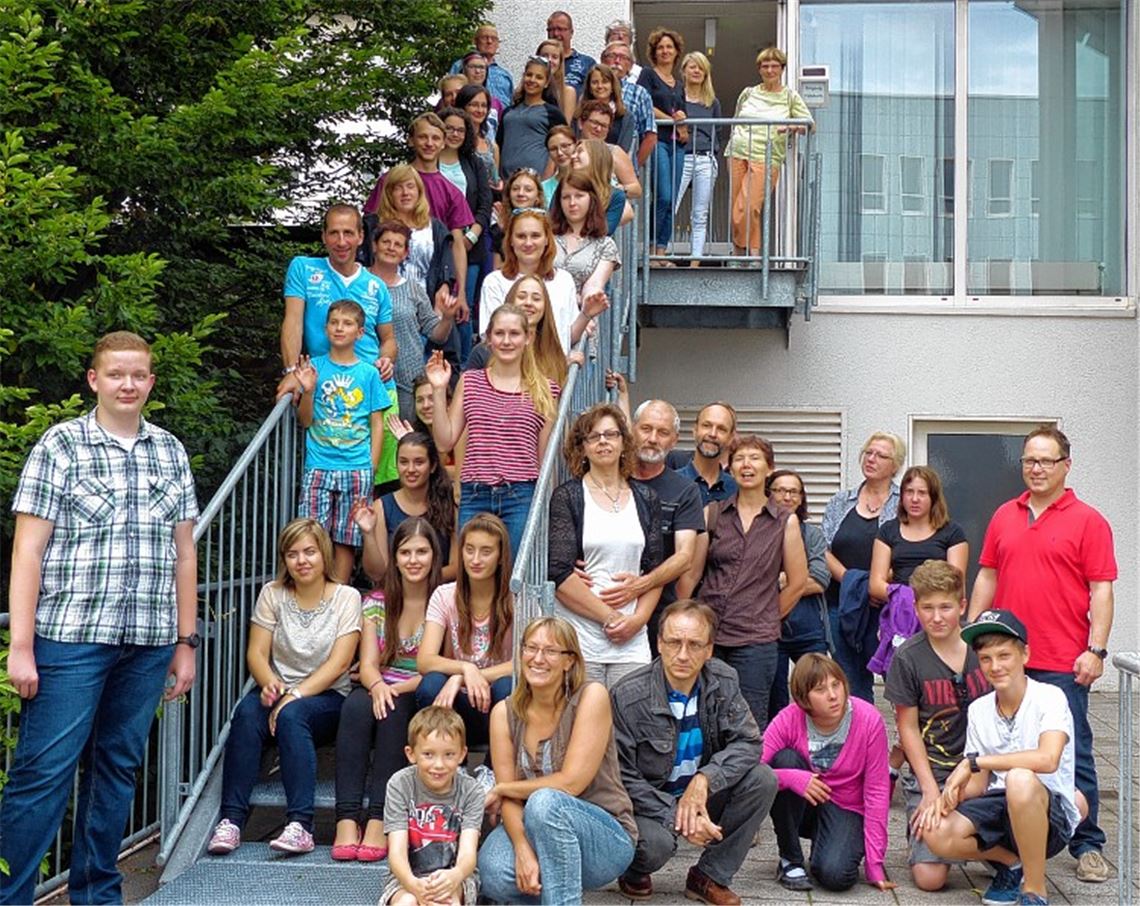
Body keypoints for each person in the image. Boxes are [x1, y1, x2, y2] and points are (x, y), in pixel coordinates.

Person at [2, 331, 198, 905]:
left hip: (148, 643)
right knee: (42, 777)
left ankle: (98, 896)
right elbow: (28, 552)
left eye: (139, 375)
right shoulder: (60, 446)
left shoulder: (170, 451)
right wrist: (20, 644)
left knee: (115, 773)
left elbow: (185, 552)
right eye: (116, 374)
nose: (128, 384)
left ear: (151, 383)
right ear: (94, 380)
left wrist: (186, 642)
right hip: (69, 641)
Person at [967, 424, 1116, 883]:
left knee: (1075, 755)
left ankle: (1087, 844)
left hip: (1062, 659)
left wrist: (1097, 649)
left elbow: (1102, 589)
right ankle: (1013, 834)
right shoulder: (1004, 516)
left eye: (1045, 461)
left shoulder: (1089, 520)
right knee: (1005, 746)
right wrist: (971, 633)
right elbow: (988, 575)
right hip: (1006, 658)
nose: (1035, 468)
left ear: (1065, 466)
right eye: (1029, 460)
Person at [207, 519, 361, 857]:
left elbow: (338, 664)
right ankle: (231, 821)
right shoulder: (273, 593)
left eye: (309, 552)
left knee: (292, 715)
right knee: (247, 712)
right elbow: (257, 653)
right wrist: (269, 684)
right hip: (281, 693)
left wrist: (293, 696)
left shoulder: (346, 597)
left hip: (329, 697)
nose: (302, 560)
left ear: (324, 555)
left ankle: (301, 825)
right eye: (292, 554)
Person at [611, 599, 777, 905]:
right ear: (659, 643)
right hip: (648, 804)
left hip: (699, 794)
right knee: (655, 846)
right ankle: (634, 870)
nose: (683, 654)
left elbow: (749, 742)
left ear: (710, 648)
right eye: (674, 642)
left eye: (695, 644)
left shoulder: (723, 680)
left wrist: (704, 780)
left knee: (762, 779)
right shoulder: (628, 695)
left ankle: (709, 876)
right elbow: (619, 776)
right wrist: (677, 815)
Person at [920, 610, 1086, 906]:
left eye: (1004, 655)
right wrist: (947, 797)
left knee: (1020, 778)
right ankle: (1012, 865)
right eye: (985, 659)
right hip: (1002, 803)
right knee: (934, 829)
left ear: (1025, 655)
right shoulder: (979, 709)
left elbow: (1048, 759)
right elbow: (979, 786)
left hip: (1049, 810)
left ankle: (1034, 891)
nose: (995, 666)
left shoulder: (1050, 697)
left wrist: (973, 762)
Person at [478, 617, 638, 903]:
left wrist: (502, 789)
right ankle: (558, 891)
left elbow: (570, 783)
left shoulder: (591, 696)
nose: (538, 658)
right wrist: (523, 851)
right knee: (493, 870)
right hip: (536, 828)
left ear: (569, 661)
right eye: (531, 648)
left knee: (545, 801)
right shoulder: (504, 713)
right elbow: (511, 801)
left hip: (604, 834)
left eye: (551, 651)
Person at [332, 517, 442, 862]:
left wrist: (395, 690)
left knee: (394, 713)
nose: (414, 560)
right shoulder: (377, 601)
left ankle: (380, 819)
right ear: (394, 558)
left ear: (433, 556)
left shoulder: (443, 600)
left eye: (422, 552)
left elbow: (440, 665)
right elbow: (366, 664)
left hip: (417, 688)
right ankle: (347, 819)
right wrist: (378, 685)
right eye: (406, 552)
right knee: (355, 707)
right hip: (379, 681)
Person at [682, 434, 808, 730]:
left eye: (755, 458)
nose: (746, 465)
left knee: (748, 721)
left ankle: (745, 777)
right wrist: (683, 617)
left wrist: (768, 617)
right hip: (709, 636)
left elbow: (798, 582)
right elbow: (691, 574)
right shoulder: (712, 513)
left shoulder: (785, 521)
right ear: (729, 466)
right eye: (739, 458)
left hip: (755, 642)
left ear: (769, 468)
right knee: (702, 715)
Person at [884, 559, 990, 892]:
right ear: (915, 608)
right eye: (927, 608)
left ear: (962, 605)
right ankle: (942, 836)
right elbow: (908, 728)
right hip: (934, 769)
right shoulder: (908, 658)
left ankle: (989, 846)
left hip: (982, 770)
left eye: (945, 607)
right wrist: (930, 789)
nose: (937, 616)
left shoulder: (983, 647)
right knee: (930, 880)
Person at [548, 405, 664, 687]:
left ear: (624, 442)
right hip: (582, 637)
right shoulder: (568, 496)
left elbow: (654, 571)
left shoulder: (646, 497)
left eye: (611, 434)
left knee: (629, 723)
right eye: (593, 436)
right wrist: (611, 617)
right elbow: (559, 573)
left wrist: (637, 621)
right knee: (583, 722)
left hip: (632, 639)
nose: (603, 441)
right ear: (583, 448)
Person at [427, 302, 557, 553]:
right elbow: (445, 441)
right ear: (489, 338)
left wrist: (545, 507)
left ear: (528, 337)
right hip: (476, 493)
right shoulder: (470, 381)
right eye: (499, 333)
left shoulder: (546, 389)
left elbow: (545, 460)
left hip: (521, 494)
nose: (506, 341)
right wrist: (438, 389)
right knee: (473, 572)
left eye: (514, 334)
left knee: (513, 575)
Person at [763, 654, 895, 893]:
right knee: (785, 761)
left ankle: (825, 848)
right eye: (820, 689)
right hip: (802, 805)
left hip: (845, 806)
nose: (833, 696)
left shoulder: (868, 720)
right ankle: (790, 860)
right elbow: (755, 769)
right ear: (804, 698)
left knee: (837, 877)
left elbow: (877, 789)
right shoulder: (789, 719)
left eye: (836, 685)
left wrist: (875, 863)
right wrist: (792, 778)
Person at [293, 301, 389, 581]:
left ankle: (338, 593)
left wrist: (370, 466)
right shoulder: (315, 367)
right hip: (319, 462)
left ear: (360, 332)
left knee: (348, 537)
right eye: (334, 322)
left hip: (356, 464)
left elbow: (377, 423)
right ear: (325, 328)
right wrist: (308, 391)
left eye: (347, 324)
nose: (339, 328)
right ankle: (313, 590)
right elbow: (305, 421)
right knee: (312, 532)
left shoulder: (369, 374)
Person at [278, 203, 397, 423]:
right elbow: (293, 322)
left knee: (379, 458)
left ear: (361, 236)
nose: (341, 242)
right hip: (329, 392)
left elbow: (388, 338)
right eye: (334, 233)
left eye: (348, 233)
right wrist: (292, 370)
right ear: (323, 236)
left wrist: (387, 359)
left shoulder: (376, 285)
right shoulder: (304, 269)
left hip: (376, 391)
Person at [415, 514, 515, 750]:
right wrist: (465, 668)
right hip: (453, 705)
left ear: (500, 557)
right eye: (469, 550)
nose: (476, 559)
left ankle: (492, 773)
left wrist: (463, 677)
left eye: (486, 551)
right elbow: (425, 660)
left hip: (494, 705)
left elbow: (521, 664)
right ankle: (444, 764)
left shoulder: (516, 600)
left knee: (507, 686)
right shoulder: (444, 595)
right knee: (430, 684)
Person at [822, 430, 905, 702]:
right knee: (850, 682)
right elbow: (822, 549)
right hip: (841, 605)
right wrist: (853, 584)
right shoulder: (840, 501)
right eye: (868, 453)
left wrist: (876, 585)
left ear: (895, 465)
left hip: (887, 609)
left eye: (881, 455)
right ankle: (859, 741)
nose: (872, 459)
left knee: (899, 682)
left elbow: (907, 550)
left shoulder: (904, 503)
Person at [364, 114, 473, 307]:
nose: (429, 143)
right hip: (383, 290)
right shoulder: (390, 181)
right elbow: (369, 230)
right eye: (423, 137)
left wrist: (461, 292)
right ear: (411, 140)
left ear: (443, 143)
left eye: (436, 138)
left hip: (430, 289)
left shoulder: (452, 192)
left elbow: (456, 244)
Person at [381, 706, 483, 906]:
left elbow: (468, 853)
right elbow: (397, 852)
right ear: (411, 754)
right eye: (428, 754)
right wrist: (413, 884)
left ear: (462, 755)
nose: (439, 764)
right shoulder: (400, 784)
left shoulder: (471, 790)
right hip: (407, 875)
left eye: (449, 754)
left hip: (456, 876)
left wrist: (455, 875)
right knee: (407, 902)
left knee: (446, 902)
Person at [626, 398, 705, 653]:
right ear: (632, 430)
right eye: (646, 429)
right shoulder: (609, 480)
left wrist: (641, 585)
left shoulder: (685, 491)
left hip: (659, 614)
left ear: (674, 440)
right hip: (603, 604)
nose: (652, 438)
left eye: (662, 432)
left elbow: (684, 558)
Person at [726, 47, 812, 259]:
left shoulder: (790, 96)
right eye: (765, 66)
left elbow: (809, 124)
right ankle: (748, 255)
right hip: (737, 152)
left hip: (766, 156)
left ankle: (744, 254)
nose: (770, 70)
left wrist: (790, 127)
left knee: (746, 207)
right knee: (739, 208)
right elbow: (737, 119)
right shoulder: (749, 93)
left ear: (782, 69)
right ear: (759, 69)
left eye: (775, 66)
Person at [368, 220, 458, 420]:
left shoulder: (413, 289)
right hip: (369, 375)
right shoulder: (359, 282)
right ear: (374, 245)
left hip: (408, 380)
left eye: (398, 244)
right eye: (386, 242)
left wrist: (447, 318)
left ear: (405, 253)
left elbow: (436, 334)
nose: (391, 248)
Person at [479, 209, 601, 355]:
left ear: (547, 240)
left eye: (535, 236)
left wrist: (586, 315)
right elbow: (490, 338)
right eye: (521, 236)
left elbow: (568, 337)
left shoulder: (564, 279)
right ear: (510, 241)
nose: (528, 243)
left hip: (557, 373)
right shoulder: (494, 282)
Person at [765, 469, 834, 720]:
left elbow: (820, 579)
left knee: (817, 690)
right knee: (776, 697)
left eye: (794, 491)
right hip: (770, 629)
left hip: (809, 628)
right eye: (780, 490)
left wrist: (780, 580)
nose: (787, 497)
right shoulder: (759, 532)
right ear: (768, 494)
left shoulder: (812, 535)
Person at [353, 431, 457, 582]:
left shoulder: (449, 504)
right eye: (403, 462)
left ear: (433, 466)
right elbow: (377, 573)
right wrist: (368, 534)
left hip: (438, 592)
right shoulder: (381, 507)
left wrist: (421, 580)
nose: (410, 470)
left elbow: (457, 566)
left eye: (419, 462)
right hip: (396, 593)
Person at [438, 106, 493, 361]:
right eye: (449, 128)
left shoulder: (474, 163)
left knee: (463, 307)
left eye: (460, 130)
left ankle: (461, 365)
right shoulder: (429, 162)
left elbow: (484, 204)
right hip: (438, 246)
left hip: (470, 247)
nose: (455, 134)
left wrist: (472, 236)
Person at [869, 465, 968, 603]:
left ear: (933, 497)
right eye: (909, 492)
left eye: (922, 493)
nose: (915, 499)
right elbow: (875, 584)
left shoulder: (953, 532)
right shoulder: (887, 531)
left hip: (937, 610)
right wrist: (904, 596)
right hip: (899, 608)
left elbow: (956, 584)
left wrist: (925, 602)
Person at [466, 274, 570, 387]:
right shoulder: (483, 353)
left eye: (536, 299)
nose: (528, 303)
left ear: (545, 307)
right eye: (521, 297)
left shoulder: (554, 355)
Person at [639, 27, 687, 259]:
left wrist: (683, 125)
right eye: (660, 48)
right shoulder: (648, 75)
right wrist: (670, 120)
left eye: (669, 47)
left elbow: (683, 115)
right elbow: (644, 104)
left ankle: (662, 250)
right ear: (654, 52)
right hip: (657, 140)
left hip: (677, 145)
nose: (665, 51)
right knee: (663, 196)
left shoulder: (679, 84)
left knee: (672, 200)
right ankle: (651, 250)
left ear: (676, 52)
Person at [676, 52, 722, 266]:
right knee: (670, 205)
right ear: (683, 70)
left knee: (700, 213)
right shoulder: (676, 97)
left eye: (701, 68)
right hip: (682, 155)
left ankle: (696, 260)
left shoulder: (711, 102)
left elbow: (717, 129)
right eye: (692, 67)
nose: (696, 71)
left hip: (705, 158)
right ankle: (660, 254)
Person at [551, 170, 621, 297]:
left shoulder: (605, 245)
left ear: (591, 199)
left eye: (579, 196)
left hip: (581, 313)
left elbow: (594, 287)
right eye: (566, 197)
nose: (572, 203)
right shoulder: (545, 239)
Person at [498, 56, 567, 178]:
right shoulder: (508, 112)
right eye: (529, 75)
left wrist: (547, 178)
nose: (532, 80)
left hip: (537, 182)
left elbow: (561, 146)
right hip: (506, 183)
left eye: (539, 77)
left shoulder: (552, 113)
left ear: (546, 83)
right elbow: (498, 145)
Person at [600, 41, 657, 168]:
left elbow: (650, 135)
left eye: (623, 58)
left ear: (630, 66)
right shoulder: (592, 88)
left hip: (622, 167)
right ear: (603, 60)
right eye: (612, 56)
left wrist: (632, 166)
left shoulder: (640, 93)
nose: (617, 61)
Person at [673, 401, 738, 505]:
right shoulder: (671, 483)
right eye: (706, 425)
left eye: (721, 429)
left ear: (731, 438)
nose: (713, 434)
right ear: (695, 430)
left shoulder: (736, 490)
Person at [574, 108, 642, 205]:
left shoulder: (614, 152)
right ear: (581, 123)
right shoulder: (569, 150)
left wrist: (616, 190)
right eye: (594, 123)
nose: (598, 129)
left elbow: (636, 189)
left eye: (604, 126)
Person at [491, 168, 547, 268]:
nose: (520, 193)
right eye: (515, 189)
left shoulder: (545, 224)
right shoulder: (500, 221)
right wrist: (504, 232)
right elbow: (497, 267)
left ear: (538, 196)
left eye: (528, 190)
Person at [450, 24, 513, 108]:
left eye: (494, 39)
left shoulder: (504, 75)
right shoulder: (460, 65)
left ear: (498, 44)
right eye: (484, 38)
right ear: (475, 41)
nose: (489, 41)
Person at [578, 64, 634, 156]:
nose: (600, 86)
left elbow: (623, 150)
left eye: (605, 82)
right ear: (589, 88)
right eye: (595, 82)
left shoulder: (626, 117)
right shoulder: (578, 114)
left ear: (612, 86)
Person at [456, 83, 501, 187]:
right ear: (463, 106)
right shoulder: (455, 140)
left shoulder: (492, 146)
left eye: (484, 105)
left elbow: (495, 180)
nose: (480, 110)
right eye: (474, 105)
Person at [546, 10, 595, 91]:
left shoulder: (587, 63)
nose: (555, 34)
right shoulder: (541, 62)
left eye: (560, 29)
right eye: (551, 29)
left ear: (571, 32)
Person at [536, 38, 579, 124]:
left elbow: (565, 126)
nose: (549, 60)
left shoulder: (567, 92)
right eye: (545, 56)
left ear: (560, 62)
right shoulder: (530, 87)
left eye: (554, 57)